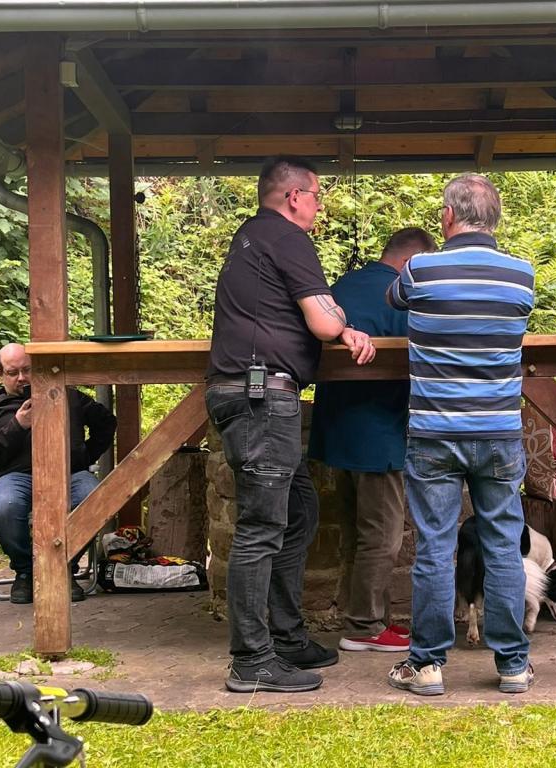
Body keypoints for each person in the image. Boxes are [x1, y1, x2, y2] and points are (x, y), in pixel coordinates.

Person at [205, 155, 376, 694]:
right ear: (295, 196)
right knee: (260, 527)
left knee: (298, 509)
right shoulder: (285, 236)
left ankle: (284, 636)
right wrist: (343, 325)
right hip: (260, 399)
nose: (320, 207)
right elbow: (323, 319)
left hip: (250, 394)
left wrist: (337, 327)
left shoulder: (252, 237)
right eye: (317, 196)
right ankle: (251, 660)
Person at [385, 174, 535, 696]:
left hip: (435, 432)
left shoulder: (420, 269)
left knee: (435, 547)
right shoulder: (521, 274)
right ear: (495, 219)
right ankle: (513, 664)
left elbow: (393, 297)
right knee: (502, 547)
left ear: (448, 216)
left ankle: (427, 665)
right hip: (499, 431)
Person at [308, 227, 437, 653]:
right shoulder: (404, 296)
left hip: (335, 432)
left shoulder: (342, 286)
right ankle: (363, 627)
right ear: (412, 263)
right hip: (379, 433)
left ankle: (368, 617)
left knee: (355, 531)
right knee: (383, 536)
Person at [0, 342, 116, 605]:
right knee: (4, 505)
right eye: (13, 372)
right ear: (0, 375)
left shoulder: (68, 396)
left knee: (94, 497)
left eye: (27, 370)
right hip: (16, 477)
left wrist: (84, 455)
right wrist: (17, 424)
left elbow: (106, 422)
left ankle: (64, 566)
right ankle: (26, 572)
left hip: (69, 473)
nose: (22, 378)